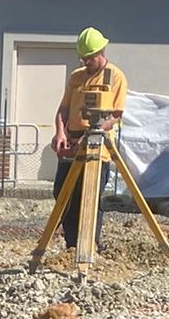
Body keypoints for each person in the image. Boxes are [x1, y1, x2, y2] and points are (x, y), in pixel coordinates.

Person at [52, 28, 128, 251]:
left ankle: (91, 245)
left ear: (101, 52)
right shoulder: (76, 77)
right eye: (83, 58)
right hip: (72, 143)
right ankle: (72, 244)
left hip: (97, 145)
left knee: (90, 196)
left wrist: (93, 134)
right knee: (63, 193)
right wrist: (61, 133)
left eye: (89, 57)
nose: (85, 62)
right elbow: (63, 109)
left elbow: (115, 114)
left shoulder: (114, 77)